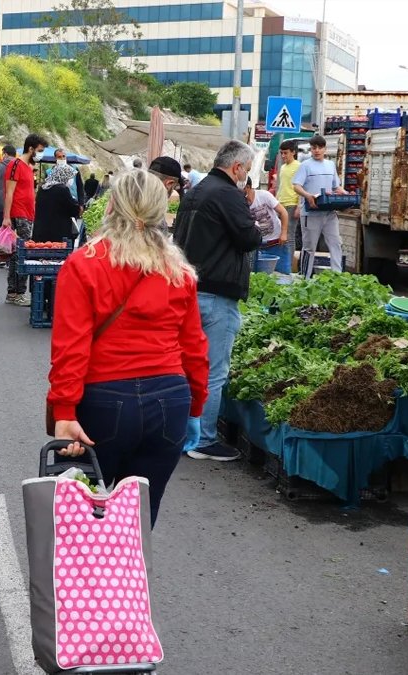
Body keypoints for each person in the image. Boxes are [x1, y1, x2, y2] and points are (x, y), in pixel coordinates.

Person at [49, 169, 209, 527]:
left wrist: (65, 412)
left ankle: (92, 582)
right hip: (170, 400)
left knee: (92, 518)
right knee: (139, 521)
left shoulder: (84, 264)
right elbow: (194, 347)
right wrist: (195, 408)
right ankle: (133, 581)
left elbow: (70, 348)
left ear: (111, 206)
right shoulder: (177, 270)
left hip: (105, 399)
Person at [172, 140, 261, 462]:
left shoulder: (195, 190)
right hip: (216, 293)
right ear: (236, 167)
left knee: (186, 366)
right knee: (212, 370)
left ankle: (182, 433)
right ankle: (203, 439)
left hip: (189, 288)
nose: (246, 178)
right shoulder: (227, 194)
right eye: (246, 171)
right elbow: (250, 238)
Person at [3, 133, 49, 306]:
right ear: (31, 148)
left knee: (18, 255)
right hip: (18, 214)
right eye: (40, 150)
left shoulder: (28, 167)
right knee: (22, 254)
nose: (41, 154)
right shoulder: (15, 164)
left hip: (27, 214)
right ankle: (17, 292)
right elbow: (9, 192)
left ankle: (14, 293)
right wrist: (7, 217)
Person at [293, 135, 347, 277]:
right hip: (311, 213)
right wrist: (308, 196)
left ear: (325, 149)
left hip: (329, 213)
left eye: (319, 148)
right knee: (309, 247)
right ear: (311, 149)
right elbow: (296, 186)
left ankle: (338, 277)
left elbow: (336, 187)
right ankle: (305, 277)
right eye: (313, 148)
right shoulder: (305, 165)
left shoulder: (330, 165)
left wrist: (346, 195)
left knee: (336, 243)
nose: (316, 151)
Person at [245, 178, 290, 273]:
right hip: (257, 247)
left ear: (248, 187)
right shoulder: (240, 202)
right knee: (259, 277)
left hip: (277, 243)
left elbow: (283, 212)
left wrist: (284, 233)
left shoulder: (263, 195)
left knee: (283, 275)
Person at [33, 162, 81, 244]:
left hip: (40, 233)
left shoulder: (42, 188)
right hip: (57, 234)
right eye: (69, 177)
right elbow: (74, 210)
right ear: (63, 175)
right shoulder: (62, 189)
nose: (70, 180)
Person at [275, 140, 302, 272]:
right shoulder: (283, 167)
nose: (283, 156)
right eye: (281, 153)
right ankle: (281, 263)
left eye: (286, 153)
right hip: (281, 204)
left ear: (293, 152)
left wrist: (299, 206)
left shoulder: (298, 166)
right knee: (280, 235)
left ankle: (289, 266)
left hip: (292, 204)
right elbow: (280, 186)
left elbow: (301, 186)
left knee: (289, 236)